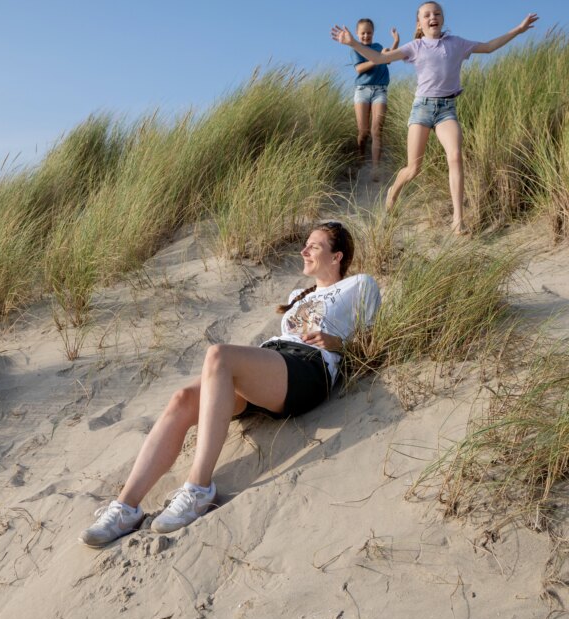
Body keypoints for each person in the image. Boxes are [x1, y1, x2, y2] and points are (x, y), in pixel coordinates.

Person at [79, 222, 381, 547]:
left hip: (310, 367)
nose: (304, 251)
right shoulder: (298, 295)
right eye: (305, 245)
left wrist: (337, 342)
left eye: (314, 246)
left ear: (337, 256)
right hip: (273, 364)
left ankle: (198, 489)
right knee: (182, 398)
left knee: (219, 356)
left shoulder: (360, 285)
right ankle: (126, 507)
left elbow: (374, 341)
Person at [332, 4, 538, 234]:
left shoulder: (456, 43)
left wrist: (518, 30)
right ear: (419, 24)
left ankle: (458, 219)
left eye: (437, 13)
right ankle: (393, 190)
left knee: (455, 156)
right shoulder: (415, 47)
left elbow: (489, 47)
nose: (433, 17)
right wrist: (353, 43)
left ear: (442, 19)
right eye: (427, 15)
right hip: (422, 109)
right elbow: (380, 59)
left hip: (446, 109)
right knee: (413, 168)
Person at [350, 18, 400, 181]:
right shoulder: (355, 49)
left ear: (373, 33)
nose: (366, 36)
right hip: (362, 91)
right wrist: (378, 58)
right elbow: (359, 69)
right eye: (363, 33)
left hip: (380, 90)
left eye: (369, 33)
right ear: (357, 34)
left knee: (376, 130)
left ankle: (375, 168)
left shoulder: (378, 47)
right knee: (363, 132)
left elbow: (389, 59)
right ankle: (360, 158)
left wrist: (395, 42)